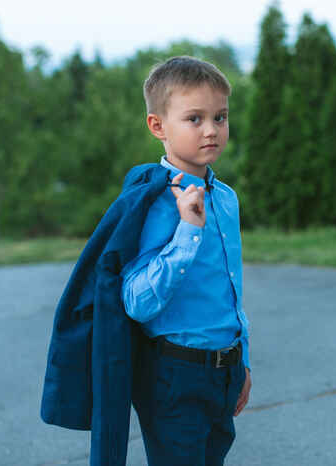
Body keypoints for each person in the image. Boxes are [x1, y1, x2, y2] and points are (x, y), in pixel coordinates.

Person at [119, 55, 252, 465]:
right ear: (158, 126)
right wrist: (188, 232)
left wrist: (241, 361)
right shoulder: (152, 202)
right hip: (174, 374)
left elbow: (231, 290)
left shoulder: (225, 198)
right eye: (194, 119)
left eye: (220, 117)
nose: (211, 130)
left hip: (224, 369)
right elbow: (137, 302)